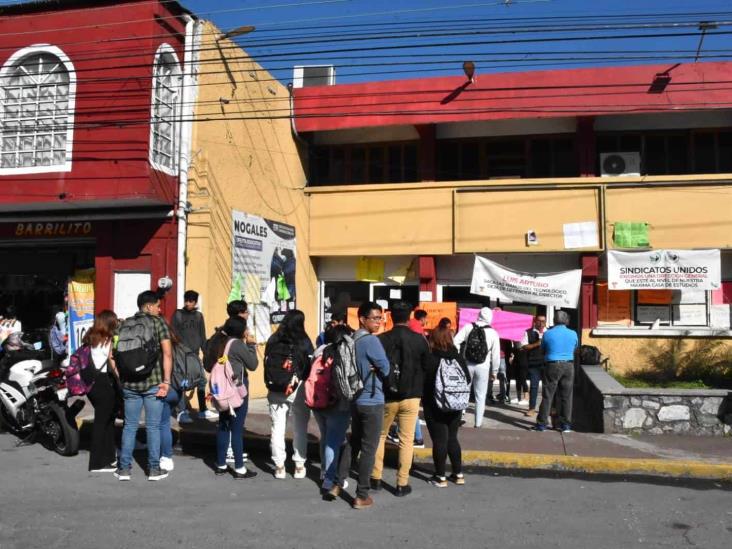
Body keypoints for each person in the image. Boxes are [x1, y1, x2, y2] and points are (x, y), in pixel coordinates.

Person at [371, 300, 430, 497]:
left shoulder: (382, 339)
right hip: (412, 395)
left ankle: (376, 478)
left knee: (379, 436)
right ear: (409, 316)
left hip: (387, 395)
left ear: (391, 316)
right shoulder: (420, 339)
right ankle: (401, 483)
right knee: (406, 439)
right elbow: (427, 367)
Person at [115, 291, 173, 482]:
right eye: (157, 305)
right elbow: (167, 354)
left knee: (129, 426)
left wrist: (120, 378)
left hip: (129, 383)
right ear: (149, 306)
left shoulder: (124, 324)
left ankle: (124, 469)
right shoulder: (158, 323)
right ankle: (154, 469)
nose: (160, 308)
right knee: (153, 427)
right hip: (153, 383)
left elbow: (112, 356)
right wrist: (166, 381)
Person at [264, 309, 314, 480]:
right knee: (300, 427)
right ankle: (299, 466)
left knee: (277, 428)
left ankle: (279, 467)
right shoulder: (303, 340)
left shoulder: (273, 339)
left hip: (275, 388)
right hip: (297, 387)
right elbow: (309, 366)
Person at [350, 301, 390, 510]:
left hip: (355, 398)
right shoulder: (371, 341)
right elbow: (386, 367)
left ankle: (336, 482)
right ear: (362, 319)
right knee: (368, 448)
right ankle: (361, 494)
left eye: (380, 318)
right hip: (372, 399)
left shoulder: (352, 339)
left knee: (354, 443)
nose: (378, 322)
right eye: (374, 318)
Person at [424, 324, 470, 487]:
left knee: (439, 440)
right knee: (452, 438)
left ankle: (440, 476)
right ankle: (458, 474)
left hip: (435, 405)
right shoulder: (458, 358)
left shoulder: (431, 358)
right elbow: (467, 379)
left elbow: (426, 382)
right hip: (456, 403)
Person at [212, 317, 258, 478]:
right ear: (240, 330)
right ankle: (239, 468)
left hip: (222, 390)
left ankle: (221, 464)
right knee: (237, 429)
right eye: (246, 328)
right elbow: (253, 365)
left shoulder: (220, 341)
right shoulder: (237, 344)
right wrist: (251, 345)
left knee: (223, 425)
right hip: (236, 389)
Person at [312, 324, 352, 500]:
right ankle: (329, 480)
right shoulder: (342, 353)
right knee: (333, 442)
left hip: (317, 401)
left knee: (326, 437)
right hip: (336, 404)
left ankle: (324, 471)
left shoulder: (319, 352)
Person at [84, 310, 120, 473]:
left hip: (91, 383)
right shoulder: (108, 340)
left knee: (107, 421)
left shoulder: (90, 337)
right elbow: (112, 363)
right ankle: (96, 463)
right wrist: (121, 381)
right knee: (102, 422)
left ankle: (110, 458)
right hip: (103, 383)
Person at [453, 307, 500, 428]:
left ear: (478, 315)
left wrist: (458, 356)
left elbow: (455, 341)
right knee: (480, 396)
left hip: (467, 364)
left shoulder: (468, 327)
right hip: (483, 367)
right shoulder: (493, 332)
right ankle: (478, 423)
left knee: (463, 392)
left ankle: (458, 418)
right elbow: (496, 355)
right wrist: (494, 371)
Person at [172, 290, 215, 421]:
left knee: (201, 380)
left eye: (191, 301)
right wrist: (178, 350)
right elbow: (173, 334)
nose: (188, 303)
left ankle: (203, 410)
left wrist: (207, 354)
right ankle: (181, 412)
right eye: (186, 300)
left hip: (195, 356)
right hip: (182, 356)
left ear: (195, 302)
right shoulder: (177, 314)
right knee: (183, 383)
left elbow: (203, 336)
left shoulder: (198, 316)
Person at [534, 310, 578, 433]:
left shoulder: (548, 334)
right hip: (568, 365)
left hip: (552, 365)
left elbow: (542, 350)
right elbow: (575, 348)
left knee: (548, 395)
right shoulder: (573, 333)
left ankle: (541, 424)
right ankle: (565, 425)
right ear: (566, 321)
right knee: (567, 396)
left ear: (554, 320)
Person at [520, 314, 546, 417]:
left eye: (543, 321)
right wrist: (537, 344)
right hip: (533, 363)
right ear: (535, 321)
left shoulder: (548, 332)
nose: (541, 323)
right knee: (534, 386)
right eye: (539, 321)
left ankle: (547, 408)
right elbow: (524, 346)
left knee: (547, 387)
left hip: (546, 363)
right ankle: (531, 408)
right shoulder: (528, 332)